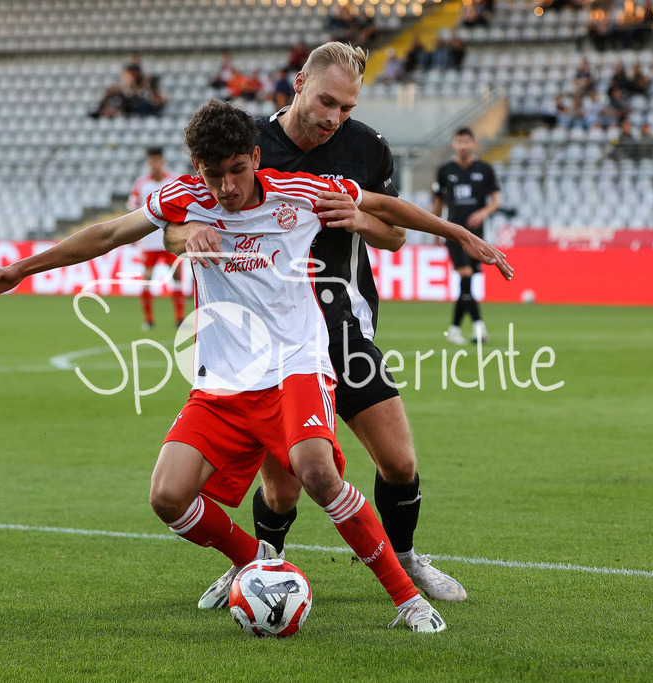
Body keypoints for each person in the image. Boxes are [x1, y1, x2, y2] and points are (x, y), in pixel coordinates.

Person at [0, 98, 490, 632]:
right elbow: (107, 235)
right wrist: (21, 268)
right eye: (213, 175)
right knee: (167, 497)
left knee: (316, 472)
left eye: (238, 171)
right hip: (225, 378)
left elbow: (387, 208)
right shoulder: (184, 199)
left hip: (297, 365)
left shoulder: (300, 192)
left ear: (256, 157)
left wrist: (459, 235)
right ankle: (255, 565)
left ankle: (407, 599)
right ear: (198, 171)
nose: (227, 189)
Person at [165, 42, 512, 609]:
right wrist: (190, 239)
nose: (334, 118)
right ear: (299, 82)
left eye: (347, 108)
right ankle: (260, 569)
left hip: (342, 324)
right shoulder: (245, 141)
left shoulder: (366, 147)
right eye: (327, 101)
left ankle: (404, 558)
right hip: (269, 337)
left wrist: (360, 220)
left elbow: (394, 233)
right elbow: (181, 223)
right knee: (282, 486)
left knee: (398, 461)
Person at [432, 127, 500, 345]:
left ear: (473, 144)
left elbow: (496, 201)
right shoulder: (444, 170)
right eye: (459, 141)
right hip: (453, 233)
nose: (462, 145)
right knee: (466, 274)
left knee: (467, 282)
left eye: (466, 141)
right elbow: (438, 203)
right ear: (454, 144)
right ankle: (480, 327)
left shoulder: (485, 169)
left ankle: (453, 330)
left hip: (477, 236)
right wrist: (435, 229)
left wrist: (483, 212)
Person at [126, 147, 182, 330]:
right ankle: (149, 320)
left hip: (171, 240)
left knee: (177, 276)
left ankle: (179, 318)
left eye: (158, 160)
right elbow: (133, 210)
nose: (155, 164)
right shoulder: (141, 184)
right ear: (148, 162)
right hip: (149, 241)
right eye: (152, 160)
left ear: (162, 161)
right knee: (147, 278)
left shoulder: (173, 180)